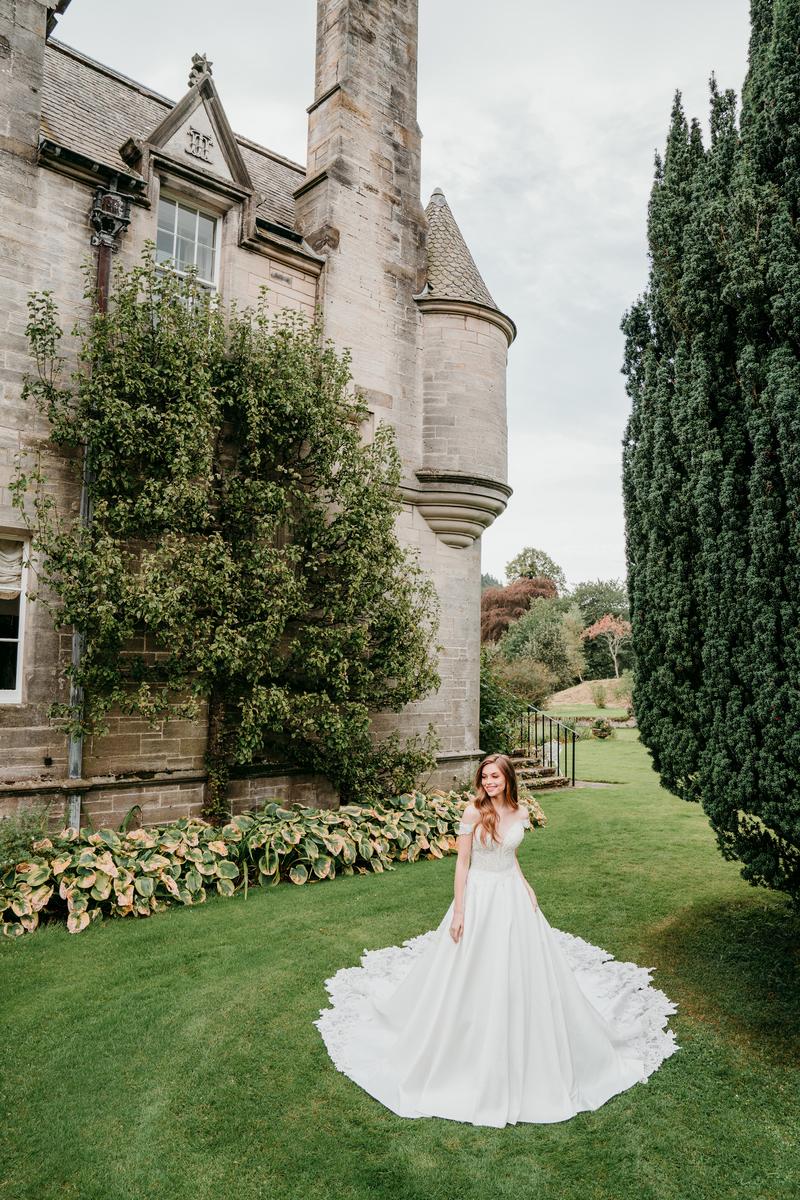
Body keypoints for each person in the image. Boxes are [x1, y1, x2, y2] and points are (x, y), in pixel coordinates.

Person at [315, 753, 678, 1128]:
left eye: (495, 777)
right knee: (470, 970)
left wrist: (525, 884)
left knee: (522, 970)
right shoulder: (473, 811)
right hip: (479, 895)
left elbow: (510, 856)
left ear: (508, 780)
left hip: (511, 894)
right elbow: (462, 863)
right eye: (485, 777)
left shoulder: (520, 812)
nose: (489, 783)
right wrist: (460, 911)